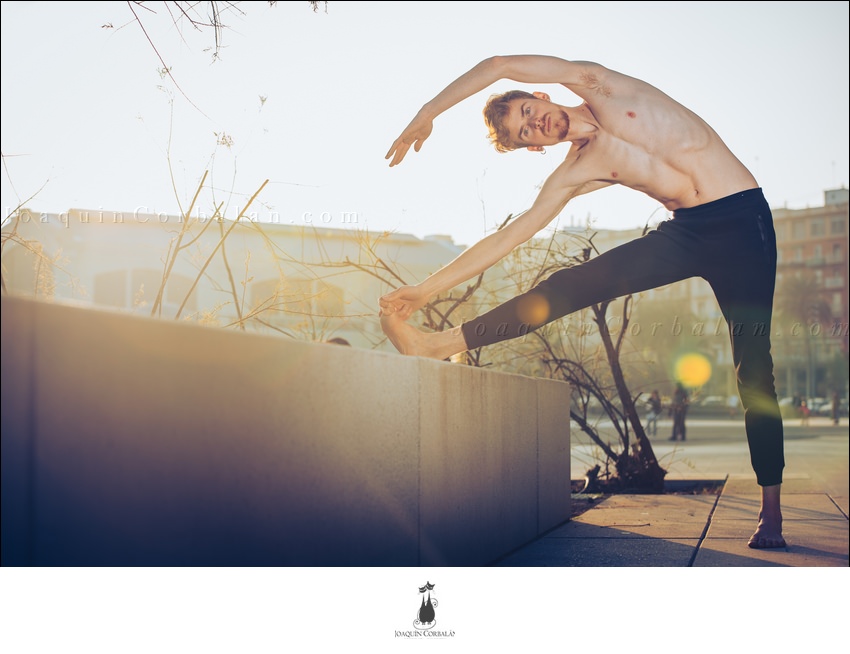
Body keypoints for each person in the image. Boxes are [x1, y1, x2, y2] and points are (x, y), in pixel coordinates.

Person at [379, 55, 786, 549]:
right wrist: (424, 291)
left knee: (753, 367)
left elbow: (499, 64)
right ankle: (439, 344)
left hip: (743, 221)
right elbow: (509, 237)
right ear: (536, 147)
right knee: (564, 287)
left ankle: (771, 509)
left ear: (542, 95)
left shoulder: (599, 84)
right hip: (688, 234)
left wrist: (430, 110)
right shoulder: (576, 170)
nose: (537, 125)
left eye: (529, 111)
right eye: (528, 133)